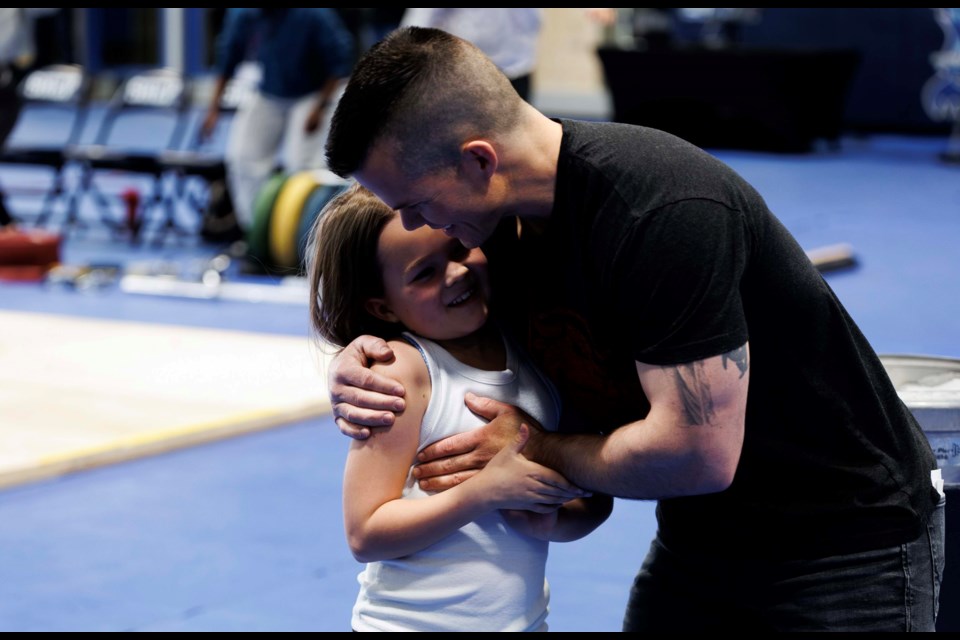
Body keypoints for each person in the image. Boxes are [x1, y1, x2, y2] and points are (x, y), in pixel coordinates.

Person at [320, 27, 946, 632]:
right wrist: (357, 356)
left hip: (841, 542)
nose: (424, 225)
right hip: (700, 539)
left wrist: (535, 451)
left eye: (417, 205)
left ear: (479, 161)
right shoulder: (491, 235)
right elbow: (431, 328)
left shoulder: (660, 210)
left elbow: (697, 456)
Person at [305, 182, 611, 632]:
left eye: (459, 248)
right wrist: (483, 493)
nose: (456, 273)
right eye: (424, 273)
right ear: (383, 308)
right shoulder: (401, 372)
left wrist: (552, 520)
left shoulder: (533, 351)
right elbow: (365, 533)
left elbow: (593, 502)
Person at [199, 8, 354, 236]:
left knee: (303, 167)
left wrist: (320, 108)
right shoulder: (243, 13)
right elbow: (228, 57)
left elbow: (340, 60)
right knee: (243, 157)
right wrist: (214, 109)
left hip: (313, 92)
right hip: (269, 91)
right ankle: (255, 232)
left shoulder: (313, 15)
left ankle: (305, 237)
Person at [400, 9, 542, 102]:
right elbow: (419, 19)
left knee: (515, 138)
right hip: (464, 72)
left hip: (517, 68)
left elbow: (533, 21)